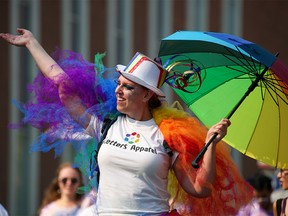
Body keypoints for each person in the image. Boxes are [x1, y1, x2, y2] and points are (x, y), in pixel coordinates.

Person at [0, 28, 253, 215]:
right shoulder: (106, 125)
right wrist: (32, 43)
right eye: (119, 84)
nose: (118, 90)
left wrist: (210, 143)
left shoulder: (166, 136)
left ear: (146, 95)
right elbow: (64, 85)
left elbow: (200, 189)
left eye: (128, 87)